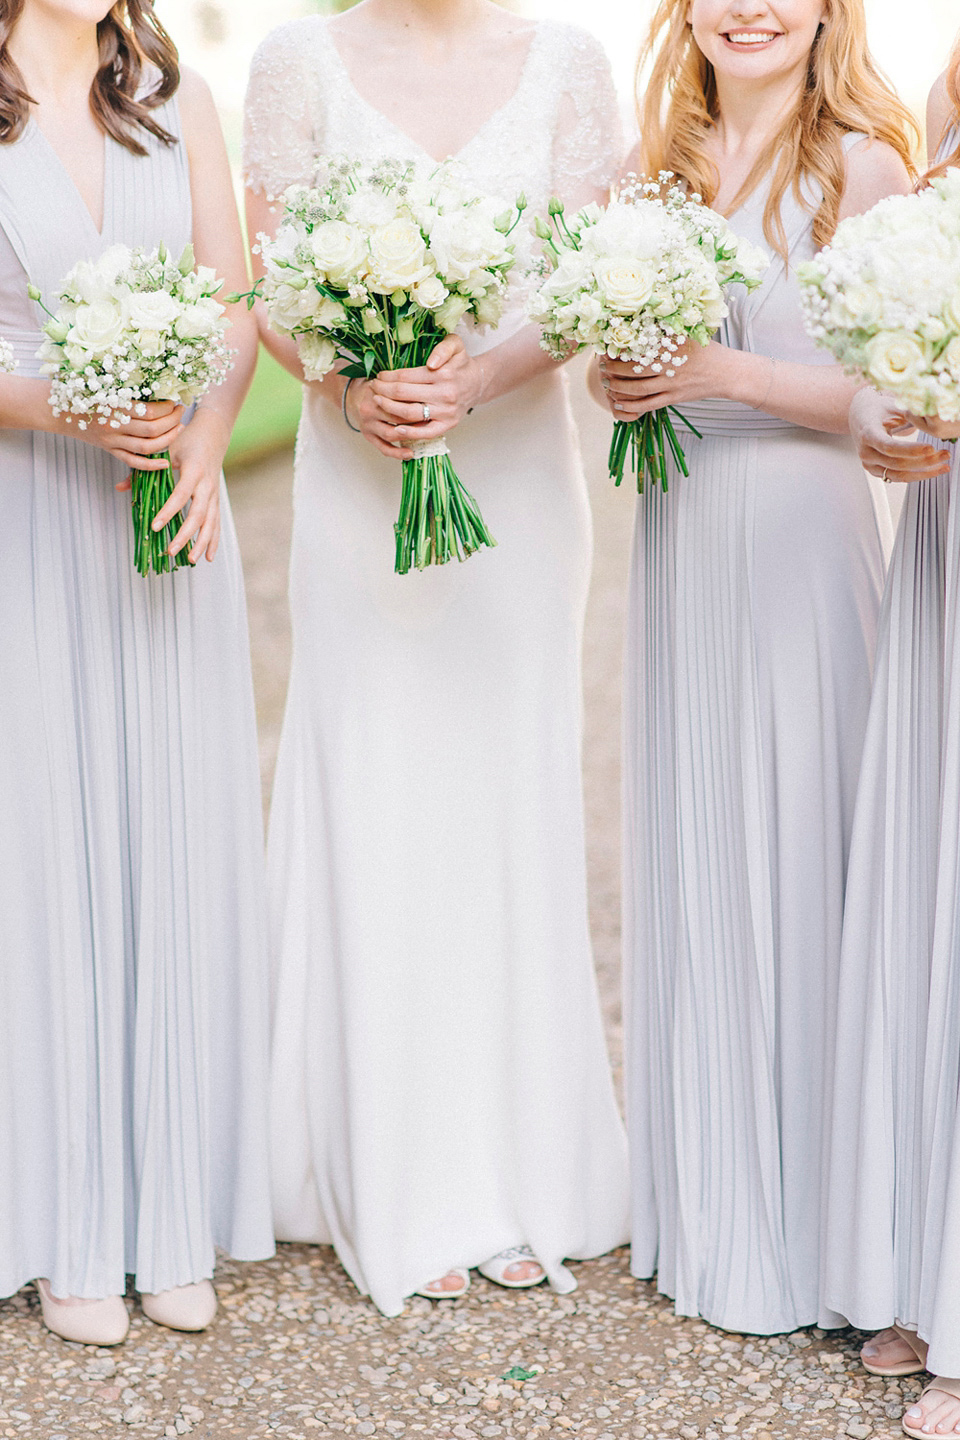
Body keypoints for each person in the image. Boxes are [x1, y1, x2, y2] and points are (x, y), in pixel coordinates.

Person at [243, 0, 630, 1318]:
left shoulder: (571, 64)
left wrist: (473, 381)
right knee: (381, 780)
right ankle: (378, 1158)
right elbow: (276, 284)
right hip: (359, 490)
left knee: (503, 792)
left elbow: (584, 290)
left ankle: (514, 1159)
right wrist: (354, 390)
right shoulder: (296, 60)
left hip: (518, 486)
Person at [597, 0, 915, 1334]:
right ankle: (714, 1207)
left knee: (806, 852)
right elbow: (606, 351)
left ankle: (830, 1236)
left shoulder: (867, 168)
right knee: (702, 850)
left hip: (800, 532)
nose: (751, 9)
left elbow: (892, 395)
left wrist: (721, 368)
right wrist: (620, 383)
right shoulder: (648, 168)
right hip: (684, 539)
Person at [0, 0, 273, 1345]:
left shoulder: (178, 97)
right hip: (31, 524)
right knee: (45, 845)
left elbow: (232, 305)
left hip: (173, 517)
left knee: (167, 836)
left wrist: (204, 449)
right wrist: (68, 405)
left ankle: (168, 1200)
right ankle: (62, 1217)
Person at [824, 43, 960, 1440]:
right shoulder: (953, 91)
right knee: (934, 889)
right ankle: (932, 1258)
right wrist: (884, 416)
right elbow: (890, 340)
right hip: (945, 548)